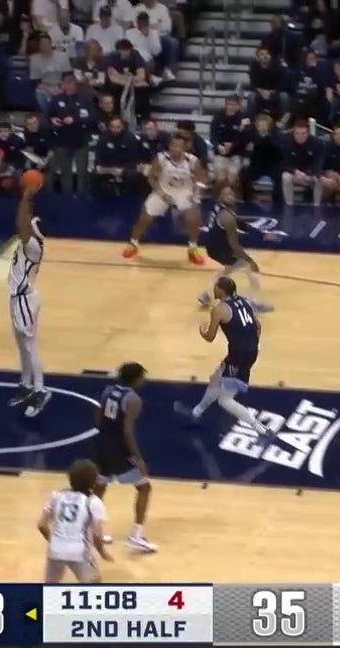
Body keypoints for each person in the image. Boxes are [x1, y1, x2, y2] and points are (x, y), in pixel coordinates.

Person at [174, 277, 273, 440]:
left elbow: (210, 337)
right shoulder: (245, 301)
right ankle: (196, 412)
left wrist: (202, 331)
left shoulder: (219, 309)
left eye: (216, 287)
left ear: (221, 290)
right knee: (216, 378)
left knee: (225, 400)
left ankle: (260, 429)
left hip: (239, 354)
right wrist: (252, 343)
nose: (213, 289)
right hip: (249, 350)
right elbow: (258, 325)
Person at [90, 362, 156, 552]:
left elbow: (98, 413)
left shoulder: (108, 390)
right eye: (142, 376)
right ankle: (136, 535)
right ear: (135, 379)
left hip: (102, 443)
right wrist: (137, 457)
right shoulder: (134, 399)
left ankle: (92, 531)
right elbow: (127, 431)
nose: (144, 379)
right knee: (144, 488)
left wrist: (106, 433)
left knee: (100, 487)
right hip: (119, 448)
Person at [7, 175, 51, 418]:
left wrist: (26, 197)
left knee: (30, 346)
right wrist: (28, 198)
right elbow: (23, 222)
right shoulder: (32, 241)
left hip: (25, 299)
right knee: (21, 346)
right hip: (18, 299)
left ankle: (40, 389)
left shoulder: (33, 246)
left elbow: (21, 224)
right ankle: (25, 385)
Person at [125, 134, 206, 265]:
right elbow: (151, 177)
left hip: (185, 191)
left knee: (193, 217)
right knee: (145, 217)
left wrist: (195, 193)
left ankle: (193, 247)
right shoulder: (161, 158)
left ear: (185, 148)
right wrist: (160, 192)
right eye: (173, 145)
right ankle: (133, 243)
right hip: (164, 189)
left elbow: (201, 179)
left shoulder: (192, 160)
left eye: (179, 146)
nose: (175, 148)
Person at [38, 459, 112, 583]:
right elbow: (97, 535)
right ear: (94, 481)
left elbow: (41, 524)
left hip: (55, 550)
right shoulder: (94, 502)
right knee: (95, 586)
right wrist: (102, 552)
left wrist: (55, 541)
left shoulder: (56, 495)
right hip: (79, 552)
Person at [199, 187, 273, 311]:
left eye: (231, 193)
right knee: (250, 267)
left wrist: (261, 234)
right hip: (221, 249)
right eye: (226, 194)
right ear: (220, 197)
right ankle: (255, 303)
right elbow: (235, 246)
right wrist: (250, 261)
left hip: (212, 246)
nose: (230, 196)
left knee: (230, 268)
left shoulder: (220, 208)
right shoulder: (228, 218)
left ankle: (207, 294)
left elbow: (241, 223)